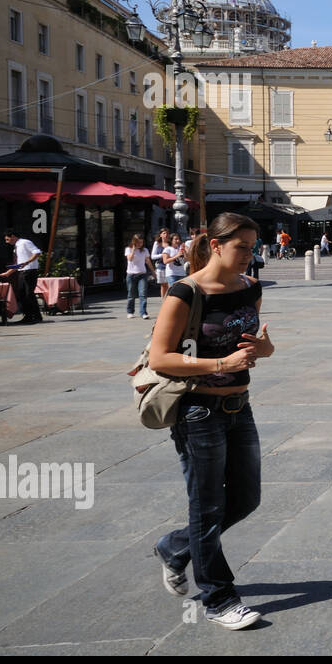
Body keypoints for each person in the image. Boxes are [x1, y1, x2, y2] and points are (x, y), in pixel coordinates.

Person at [148, 212, 273, 631]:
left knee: (246, 498)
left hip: (240, 405)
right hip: (197, 411)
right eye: (241, 247)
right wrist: (221, 362)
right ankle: (219, 597)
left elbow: (252, 347)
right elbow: (159, 357)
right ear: (216, 245)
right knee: (207, 504)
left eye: (252, 248)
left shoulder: (250, 288)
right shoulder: (185, 292)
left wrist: (265, 347)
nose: (248, 256)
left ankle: (175, 546)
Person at [0, 229, 43, 325]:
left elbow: (37, 252)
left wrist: (27, 262)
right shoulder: (16, 247)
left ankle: (36, 317)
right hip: (22, 272)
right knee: (22, 294)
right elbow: (18, 264)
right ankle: (28, 316)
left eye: (7, 239)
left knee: (29, 294)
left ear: (13, 236)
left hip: (30, 271)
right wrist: (7, 273)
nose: (6, 242)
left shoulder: (25, 242)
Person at [125, 233, 158, 320]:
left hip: (142, 274)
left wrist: (153, 272)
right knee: (131, 294)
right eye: (138, 242)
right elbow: (130, 259)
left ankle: (143, 312)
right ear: (134, 242)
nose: (140, 244)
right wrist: (133, 249)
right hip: (131, 274)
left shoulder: (145, 250)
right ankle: (130, 311)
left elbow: (148, 262)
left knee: (143, 294)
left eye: (142, 242)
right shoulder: (128, 249)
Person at [152, 228, 171, 299]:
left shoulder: (170, 243)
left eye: (167, 233)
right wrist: (163, 255)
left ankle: (169, 300)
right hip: (161, 266)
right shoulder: (157, 243)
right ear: (160, 235)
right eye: (164, 233)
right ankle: (163, 300)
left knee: (170, 285)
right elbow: (153, 256)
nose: (166, 235)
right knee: (163, 285)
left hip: (170, 266)